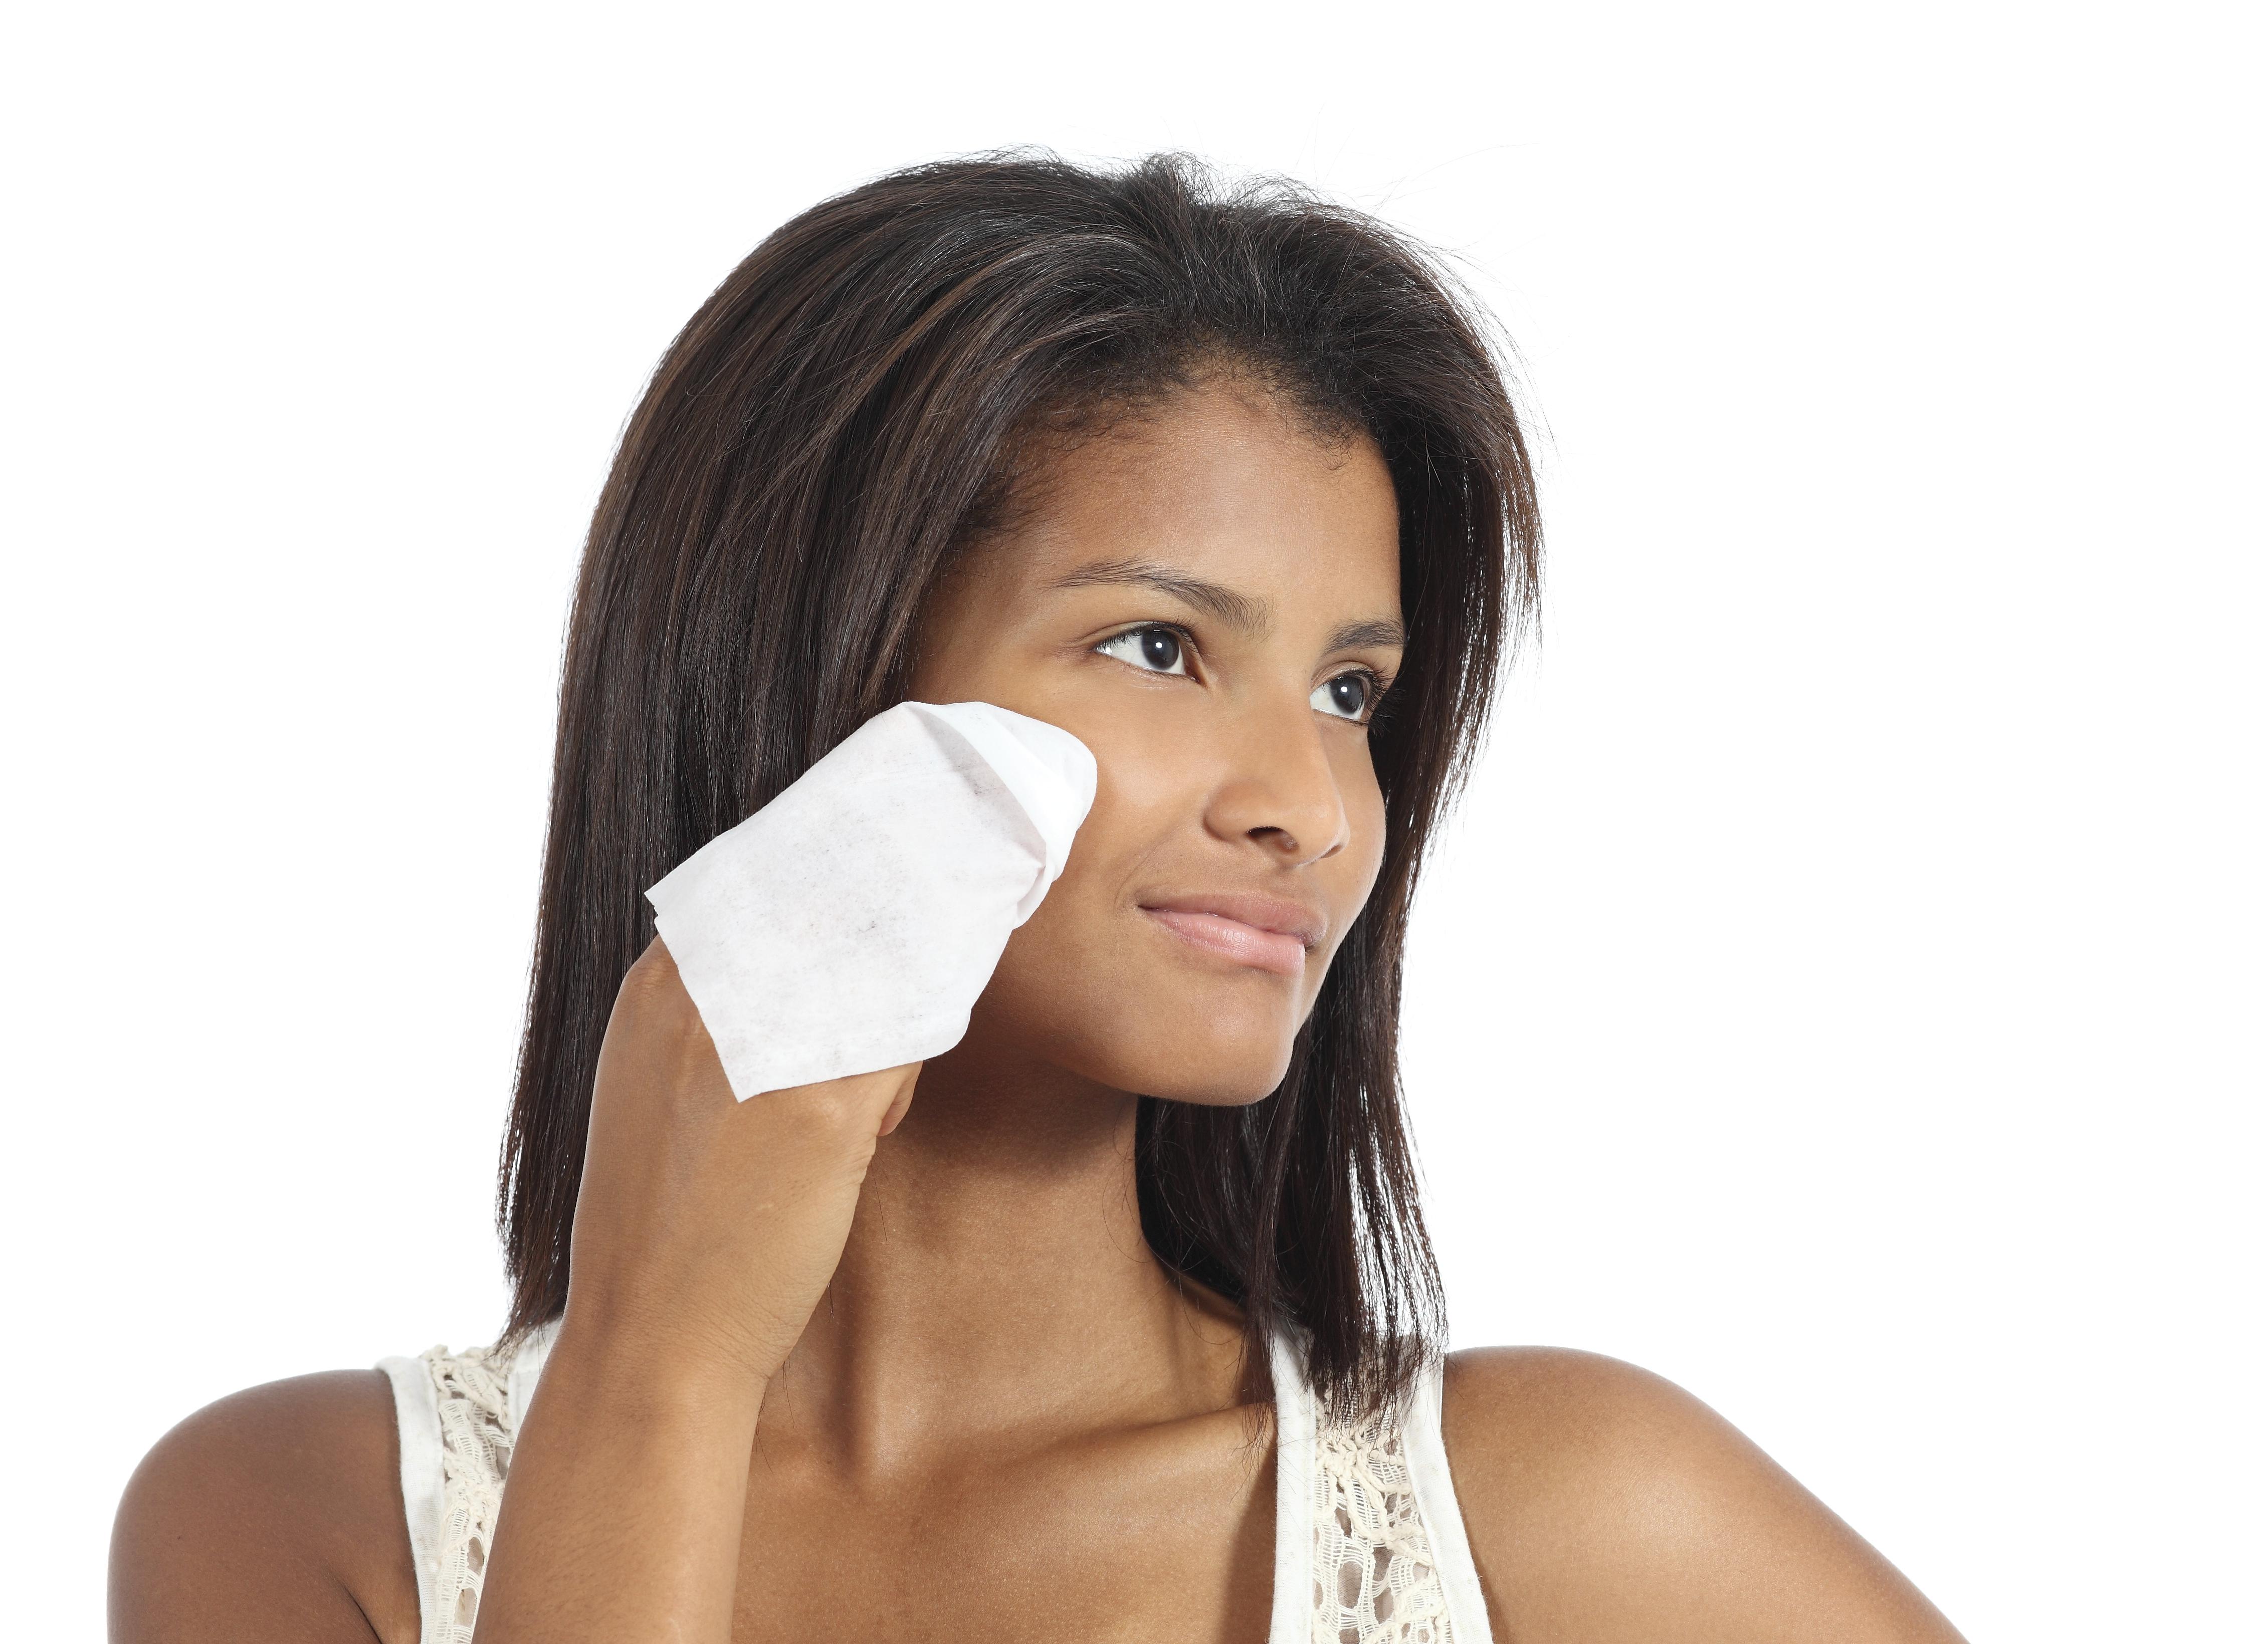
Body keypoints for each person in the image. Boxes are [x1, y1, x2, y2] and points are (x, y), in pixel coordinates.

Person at [108, 153, 1966, 1644]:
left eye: (1351, 694)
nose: (1310, 808)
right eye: (1160, 646)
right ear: (817, 678)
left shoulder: (1576, 1525)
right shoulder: (301, 1522)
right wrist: (657, 1375)